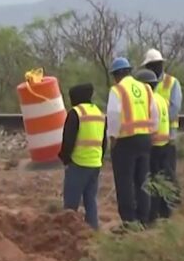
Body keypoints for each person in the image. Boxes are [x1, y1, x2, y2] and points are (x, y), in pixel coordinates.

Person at [106, 57, 158, 228]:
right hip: (144, 139)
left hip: (125, 141)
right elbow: (154, 113)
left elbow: (113, 116)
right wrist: (151, 133)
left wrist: (112, 138)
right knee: (142, 180)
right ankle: (143, 218)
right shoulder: (145, 88)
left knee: (125, 181)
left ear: (116, 75)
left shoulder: (117, 90)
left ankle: (129, 221)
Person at [58, 83, 107, 230]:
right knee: (90, 200)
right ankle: (93, 230)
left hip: (78, 163)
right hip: (95, 163)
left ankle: (69, 232)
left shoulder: (75, 113)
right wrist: (99, 158)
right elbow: (104, 142)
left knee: (71, 203)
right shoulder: (99, 113)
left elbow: (68, 140)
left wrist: (65, 159)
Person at [135, 68, 177, 220]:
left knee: (150, 181)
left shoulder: (149, 101)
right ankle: (165, 212)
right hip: (164, 144)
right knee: (162, 178)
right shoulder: (161, 99)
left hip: (152, 145)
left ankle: (151, 215)